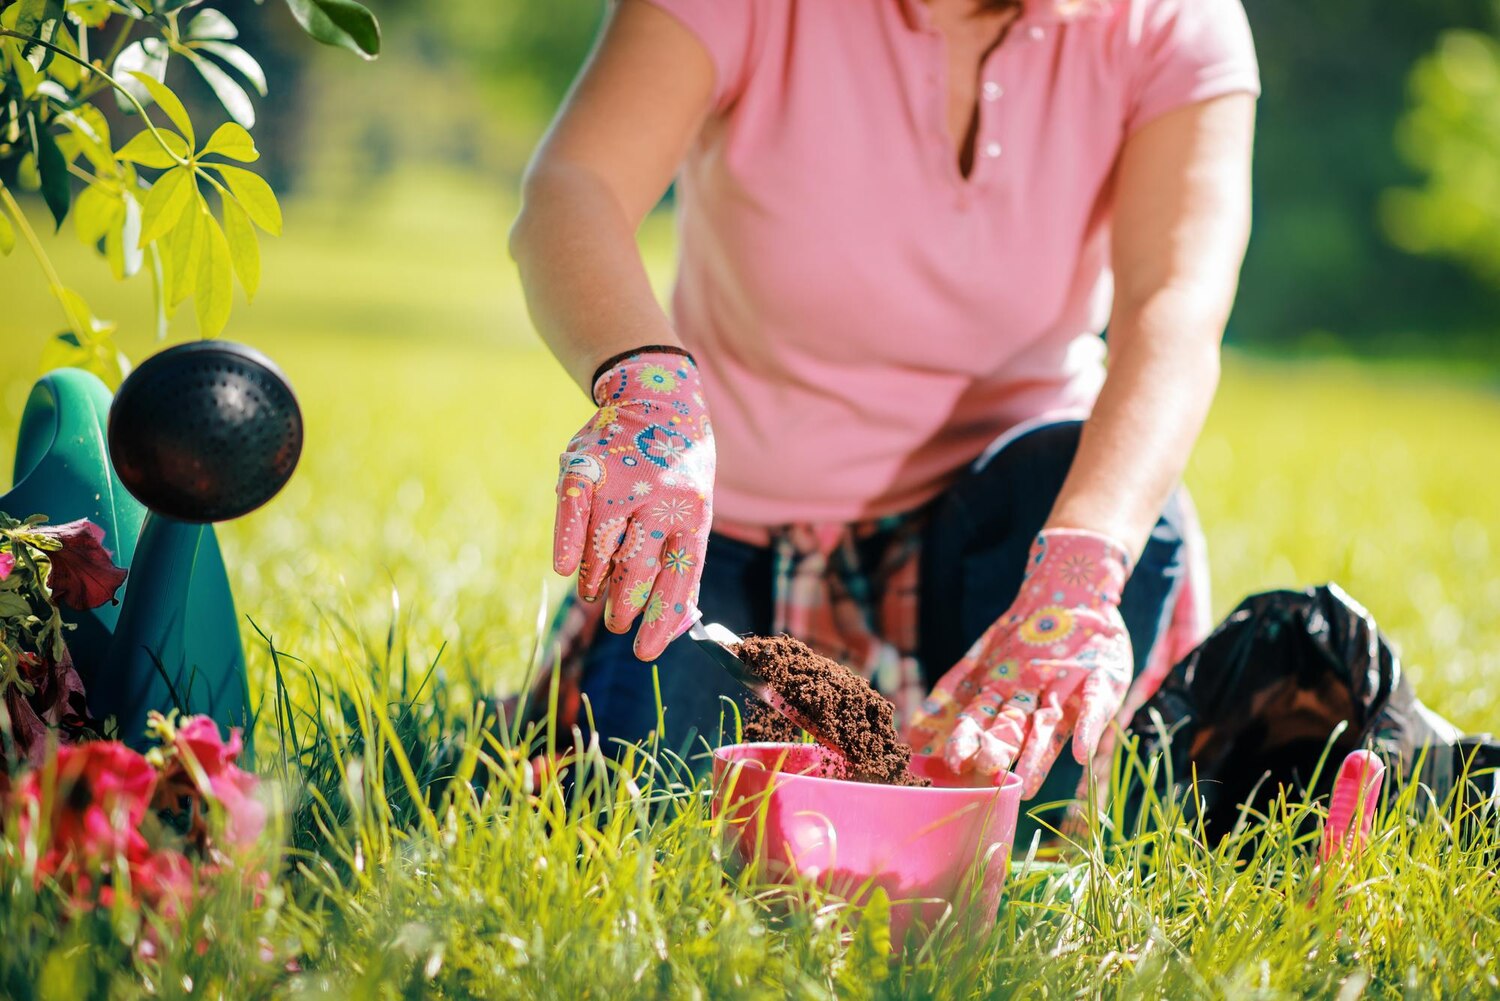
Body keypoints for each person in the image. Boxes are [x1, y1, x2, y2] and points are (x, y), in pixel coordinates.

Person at [510, 0, 1258, 827]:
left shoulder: (1170, 21)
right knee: (654, 821)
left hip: (996, 559)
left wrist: (1082, 568)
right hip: (731, 549)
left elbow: (1176, 307)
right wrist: (646, 383)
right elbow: (575, 185)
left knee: (1012, 840)